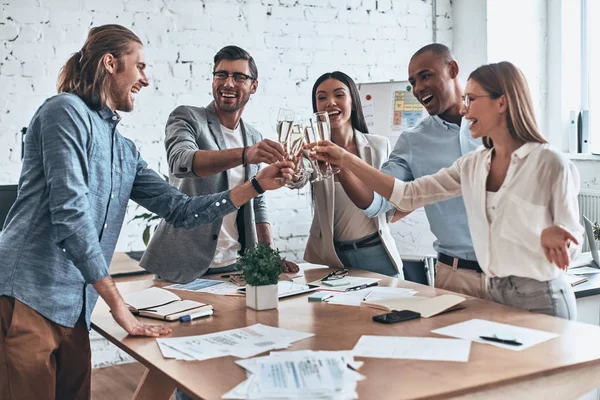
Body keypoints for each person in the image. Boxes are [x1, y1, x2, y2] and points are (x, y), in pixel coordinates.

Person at [0, 25, 294, 399]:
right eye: (140, 67)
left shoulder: (123, 150)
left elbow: (181, 210)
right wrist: (117, 304)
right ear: (110, 63)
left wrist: (256, 186)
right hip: (28, 296)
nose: (146, 80)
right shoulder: (65, 112)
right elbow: (70, 216)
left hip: (75, 307)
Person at [309, 61, 583, 320]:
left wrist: (556, 238)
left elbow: (572, 246)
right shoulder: (474, 165)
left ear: (502, 102)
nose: (465, 110)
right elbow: (408, 194)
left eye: (472, 100)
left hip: (540, 296)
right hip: (492, 289)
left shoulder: (550, 163)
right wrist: (345, 160)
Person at [140, 45, 299, 285]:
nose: (228, 83)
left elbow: (257, 199)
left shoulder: (253, 136)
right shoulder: (187, 118)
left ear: (253, 86)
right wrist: (245, 154)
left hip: (235, 264)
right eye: (221, 74)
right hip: (183, 266)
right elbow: (181, 162)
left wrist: (268, 254)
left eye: (239, 76)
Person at [349, 44, 484, 294]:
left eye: (425, 76)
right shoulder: (414, 141)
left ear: (452, 69)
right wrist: (343, 165)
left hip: (511, 273)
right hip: (456, 276)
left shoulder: (495, 125)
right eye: (413, 82)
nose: (418, 88)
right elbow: (379, 201)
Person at [295, 71, 403, 278]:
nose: (330, 102)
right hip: (331, 258)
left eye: (339, 95)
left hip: (376, 253)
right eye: (322, 98)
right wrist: (290, 172)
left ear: (353, 102)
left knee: (390, 310)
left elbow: (393, 198)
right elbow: (297, 179)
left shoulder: (379, 146)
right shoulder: (311, 150)